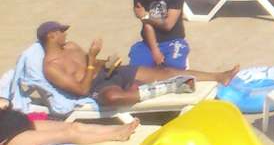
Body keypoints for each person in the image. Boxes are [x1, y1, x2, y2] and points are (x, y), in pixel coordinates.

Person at [37, 22, 235, 108]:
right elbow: (81, 89)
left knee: (164, 71)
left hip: (111, 71)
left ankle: (218, 76)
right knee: (113, 97)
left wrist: (106, 61)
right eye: (61, 31)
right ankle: (169, 88)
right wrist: (92, 61)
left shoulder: (71, 46)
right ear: (51, 36)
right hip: (99, 85)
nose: (65, 33)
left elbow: (92, 61)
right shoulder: (51, 67)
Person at [0, 102, 140, 145]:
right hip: (9, 137)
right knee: (69, 134)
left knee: (75, 126)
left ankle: (115, 128)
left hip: (18, 121)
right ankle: (116, 135)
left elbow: (6, 102)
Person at [131, 0, 188, 70]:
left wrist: (146, 16)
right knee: (137, 70)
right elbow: (147, 24)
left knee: (173, 68)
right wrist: (155, 49)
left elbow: (168, 25)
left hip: (173, 40)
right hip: (149, 41)